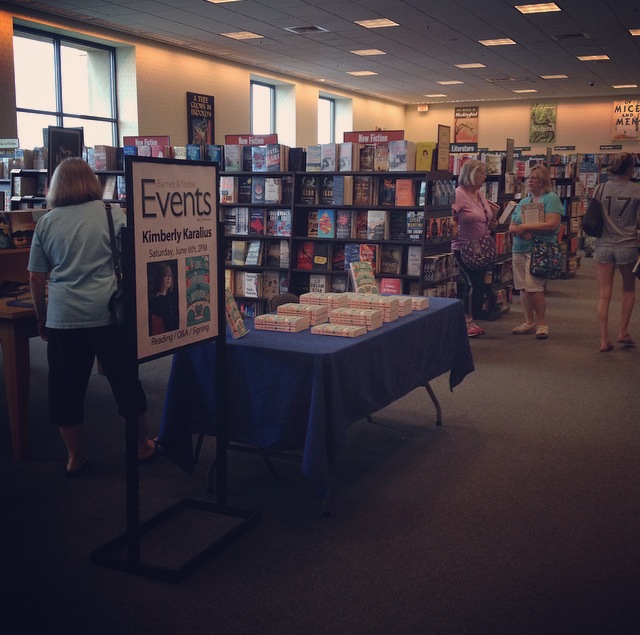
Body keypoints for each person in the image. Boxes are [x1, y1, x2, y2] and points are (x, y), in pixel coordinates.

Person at [28, 157, 159, 476]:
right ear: (92, 181)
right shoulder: (112, 213)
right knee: (126, 383)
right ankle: (141, 447)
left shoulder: (47, 221)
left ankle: (74, 456)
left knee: (64, 389)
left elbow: (36, 278)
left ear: (56, 185)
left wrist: (42, 318)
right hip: (109, 314)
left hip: (63, 317)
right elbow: (134, 259)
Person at [509, 164, 565, 340]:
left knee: (535, 286)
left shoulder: (551, 198)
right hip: (519, 248)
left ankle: (542, 323)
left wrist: (525, 227)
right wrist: (518, 229)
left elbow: (551, 224)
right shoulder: (524, 202)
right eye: (528, 178)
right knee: (523, 288)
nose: (530, 181)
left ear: (543, 181)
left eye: (534, 178)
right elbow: (511, 225)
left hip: (539, 249)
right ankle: (528, 321)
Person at [593, 152, 640, 352]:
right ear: (630, 168)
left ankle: (604, 340)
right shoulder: (637, 190)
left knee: (604, 294)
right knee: (628, 290)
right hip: (627, 245)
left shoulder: (600, 188)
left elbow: (593, 215)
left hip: (603, 244)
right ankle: (622, 332)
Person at [452, 159, 498, 337]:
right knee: (472, 284)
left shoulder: (479, 194)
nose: (485, 177)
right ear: (471, 174)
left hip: (481, 248)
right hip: (463, 248)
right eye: (481, 173)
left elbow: (484, 217)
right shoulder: (458, 194)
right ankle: (465, 322)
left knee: (479, 285)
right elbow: (451, 217)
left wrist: (492, 222)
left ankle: (470, 320)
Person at [149, 261, 176, 335]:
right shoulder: (163, 300)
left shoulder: (156, 297)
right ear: (159, 278)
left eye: (170, 275)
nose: (168, 278)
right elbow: (169, 328)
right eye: (165, 275)